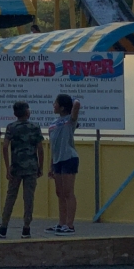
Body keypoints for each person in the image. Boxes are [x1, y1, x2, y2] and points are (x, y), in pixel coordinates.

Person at [0, 101, 44, 239]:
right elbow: (40, 149)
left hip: (16, 167)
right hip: (31, 167)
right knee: (28, 198)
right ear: (27, 112)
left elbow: (5, 147)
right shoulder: (35, 127)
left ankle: (4, 227)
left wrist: (7, 167)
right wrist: (40, 166)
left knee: (11, 196)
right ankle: (26, 228)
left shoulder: (11, 127)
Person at [46, 94, 81, 235]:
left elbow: (77, 104)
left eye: (56, 103)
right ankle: (61, 223)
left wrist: (70, 101)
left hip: (69, 158)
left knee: (68, 192)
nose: (53, 105)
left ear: (62, 107)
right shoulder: (53, 124)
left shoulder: (70, 120)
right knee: (59, 193)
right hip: (57, 161)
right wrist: (51, 165)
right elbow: (53, 147)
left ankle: (70, 225)